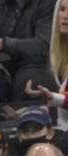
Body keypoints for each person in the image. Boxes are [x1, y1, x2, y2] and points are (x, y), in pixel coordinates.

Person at [0, 0, 57, 105]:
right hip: (2, 63)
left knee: (28, 80)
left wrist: (3, 44)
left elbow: (44, 46)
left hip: (38, 63)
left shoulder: (48, 3)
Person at [24, 0, 68, 129]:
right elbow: (60, 110)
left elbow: (61, 100)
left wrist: (53, 97)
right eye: (62, 9)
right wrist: (32, 111)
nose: (66, 15)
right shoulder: (59, 58)